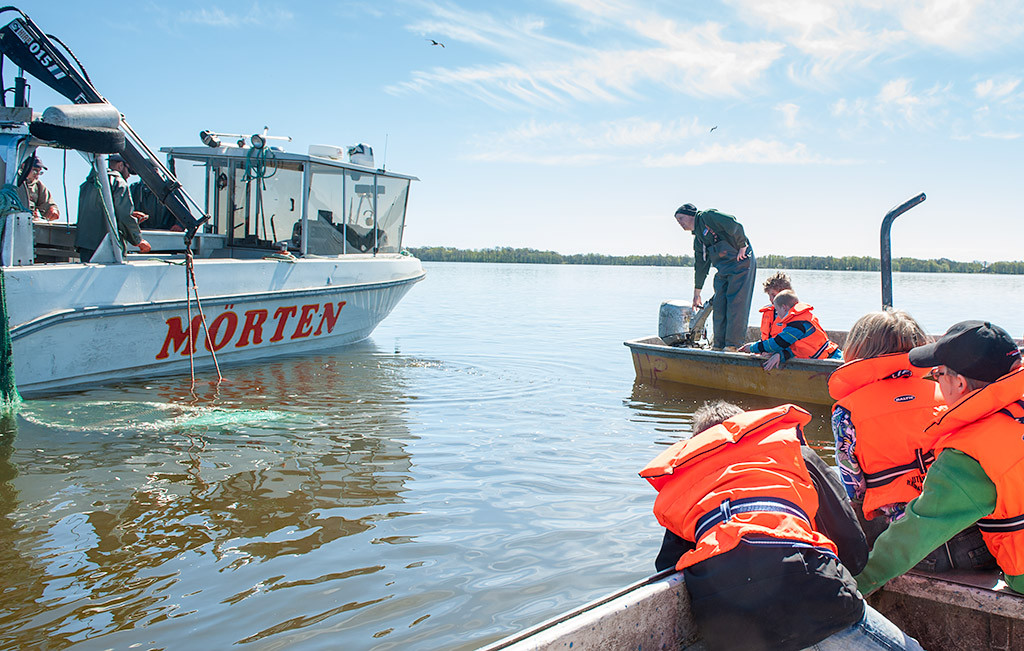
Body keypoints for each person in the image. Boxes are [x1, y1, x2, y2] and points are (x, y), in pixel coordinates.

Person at [641, 400, 923, 651]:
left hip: (728, 625)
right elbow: (850, 544)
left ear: (697, 446)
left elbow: (667, 567)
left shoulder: (688, 483)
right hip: (812, 593)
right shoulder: (792, 452)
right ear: (748, 428)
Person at [856, 320, 1024, 596]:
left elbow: (913, 535)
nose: (936, 380)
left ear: (959, 383)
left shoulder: (969, 456)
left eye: (938, 373)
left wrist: (851, 587)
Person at [673, 203, 755, 351]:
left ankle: (733, 345)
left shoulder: (707, 216)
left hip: (741, 262)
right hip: (724, 269)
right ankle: (718, 345)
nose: (679, 223)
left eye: (681, 218)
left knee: (736, 303)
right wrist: (696, 293)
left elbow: (732, 223)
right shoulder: (699, 239)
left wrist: (742, 244)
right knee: (719, 303)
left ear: (691, 215)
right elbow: (700, 266)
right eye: (677, 221)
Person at [739, 290, 842, 370]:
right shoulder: (800, 317)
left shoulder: (796, 325)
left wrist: (752, 348)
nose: (777, 314)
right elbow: (797, 348)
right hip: (827, 354)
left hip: (831, 358)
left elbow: (777, 343)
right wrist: (781, 355)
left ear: (784, 308)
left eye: (777, 310)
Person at [75, 154, 151, 262]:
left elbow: (98, 211)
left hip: (85, 245)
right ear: (120, 166)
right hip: (105, 246)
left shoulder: (88, 183)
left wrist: (132, 214)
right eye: (129, 171)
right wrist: (138, 240)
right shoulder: (119, 183)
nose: (129, 176)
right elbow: (124, 216)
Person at [17, 156, 59, 221]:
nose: (37, 175)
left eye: (40, 172)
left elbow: (47, 204)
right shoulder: (11, 180)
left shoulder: (38, 186)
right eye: (35, 171)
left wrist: (53, 210)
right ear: (24, 166)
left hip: (29, 223)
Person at [759, 271, 792, 340]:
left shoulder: (793, 314)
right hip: (767, 347)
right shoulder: (768, 311)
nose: (771, 299)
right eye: (769, 295)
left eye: (774, 295)